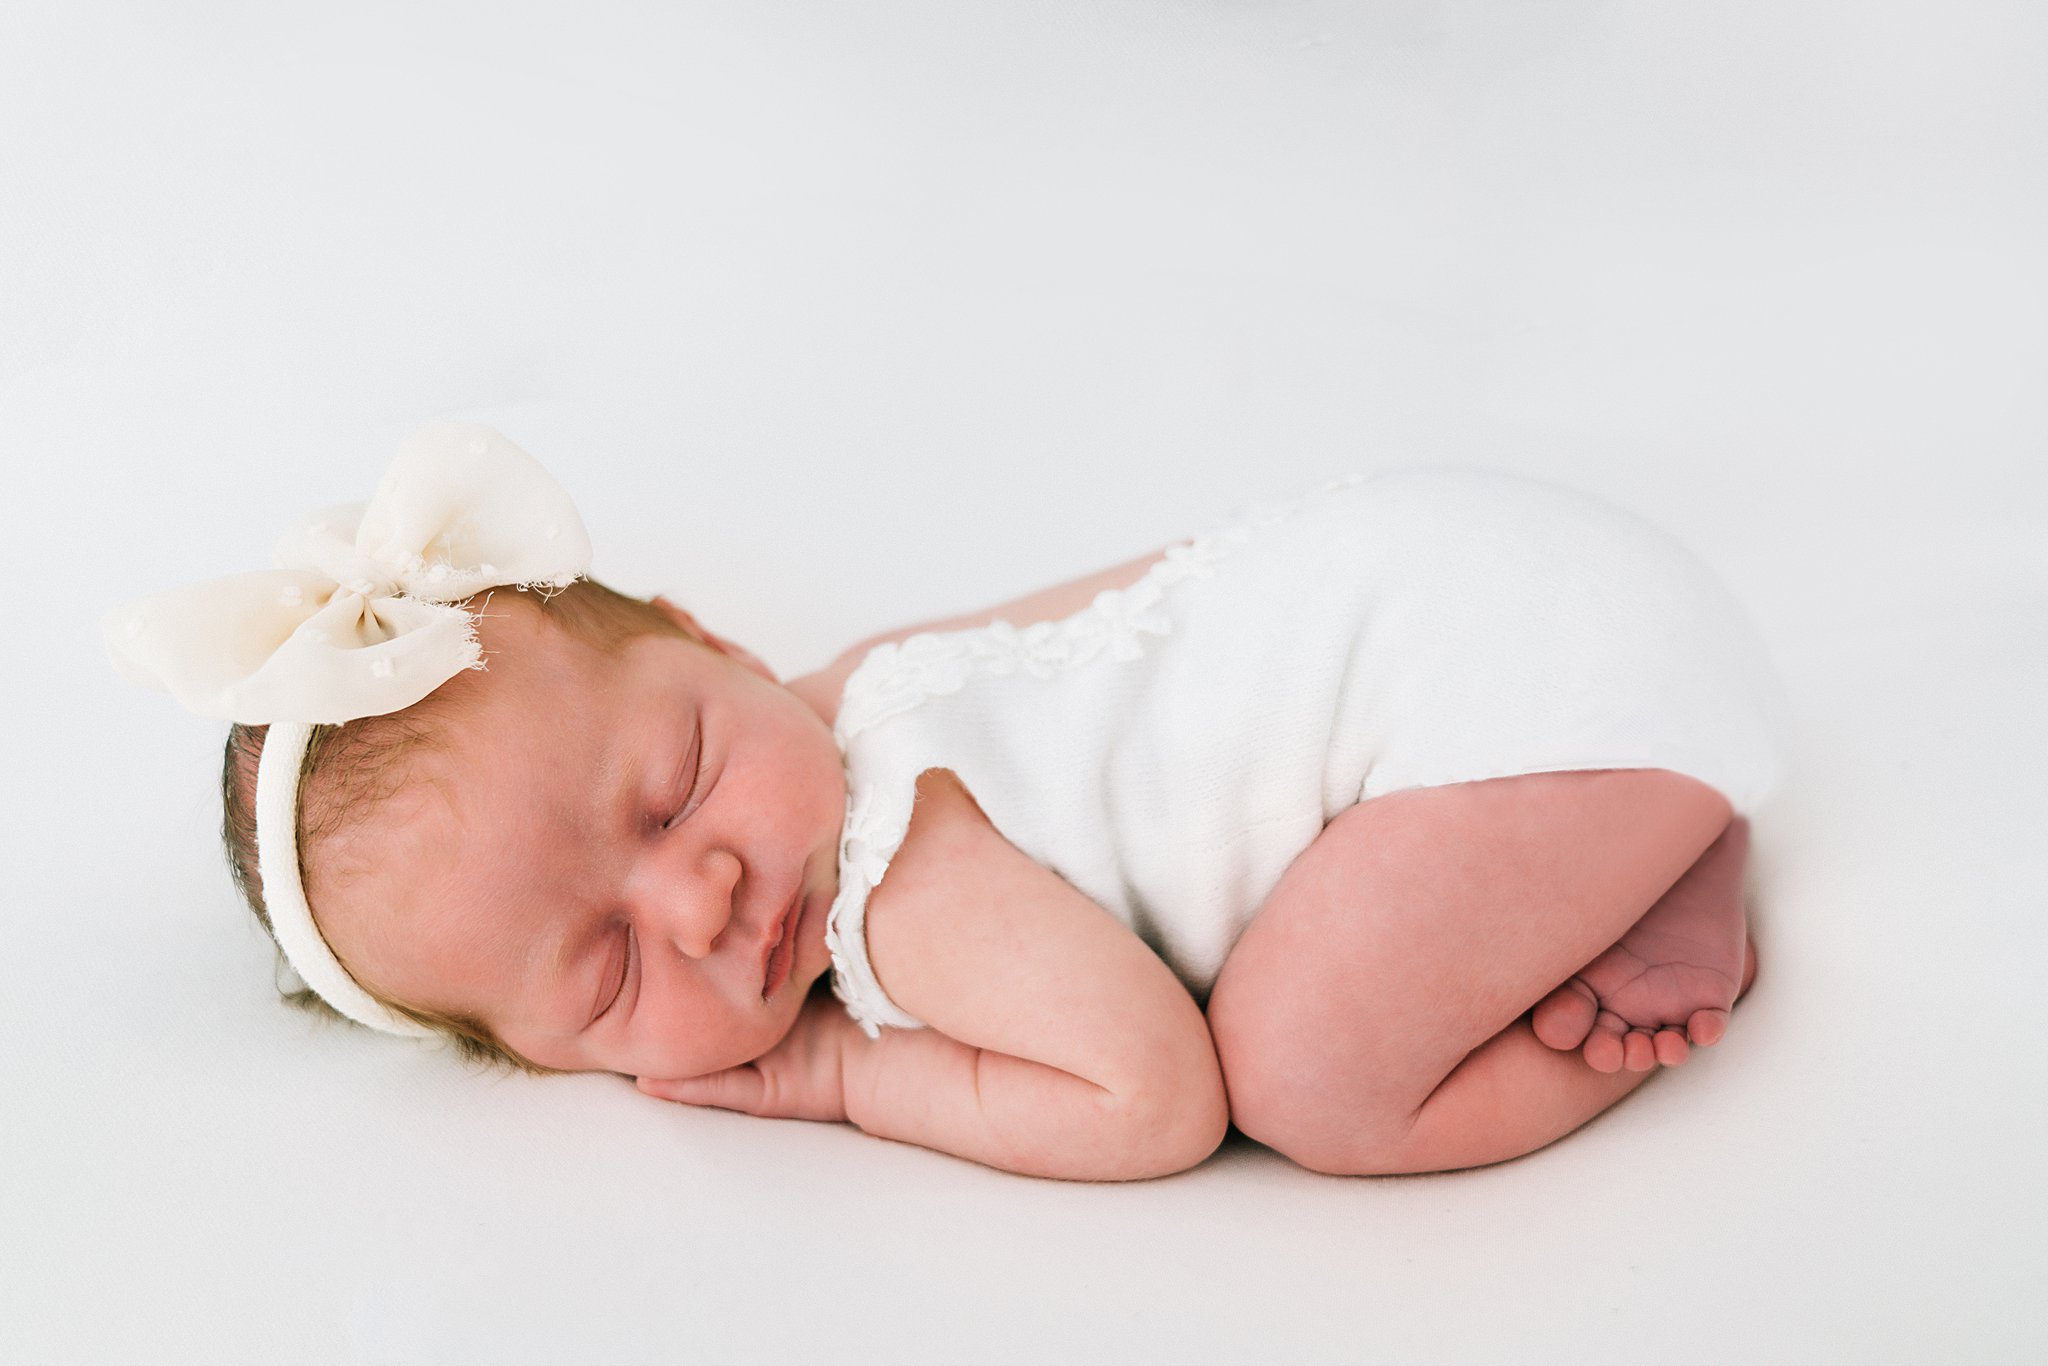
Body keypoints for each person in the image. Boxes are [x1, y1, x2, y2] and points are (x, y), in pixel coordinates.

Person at [105, 423, 1786, 1182]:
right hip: (1501, 557)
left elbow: (1157, 1098)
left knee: (1310, 1076)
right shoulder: (863, 679)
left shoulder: (898, 890)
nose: (697, 899)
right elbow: (1159, 581)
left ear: (711, 639)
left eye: (677, 782)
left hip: (1523, 692)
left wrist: (852, 1072)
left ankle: (1643, 868)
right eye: (611, 974)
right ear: (544, 1058)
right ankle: (1642, 824)